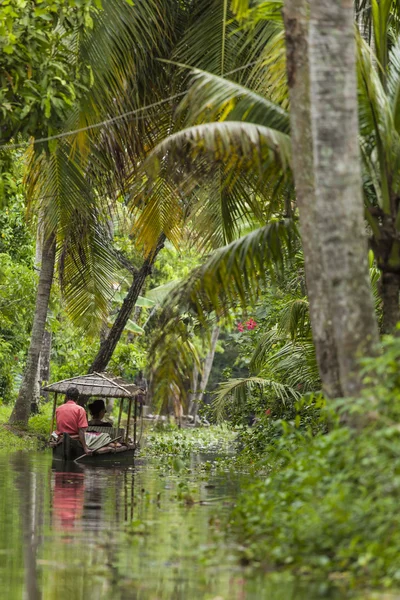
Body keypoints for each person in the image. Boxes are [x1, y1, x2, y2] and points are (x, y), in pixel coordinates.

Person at [55, 387, 92, 455]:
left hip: (61, 438)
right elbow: (81, 431)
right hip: (75, 439)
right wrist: (85, 448)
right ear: (77, 398)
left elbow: (58, 426)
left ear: (66, 397)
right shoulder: (80, 409)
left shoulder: (58, 409)